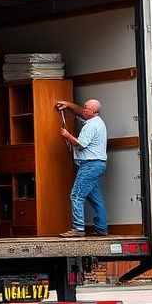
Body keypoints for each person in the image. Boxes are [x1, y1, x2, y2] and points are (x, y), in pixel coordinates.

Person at [56, 99, 108, 238]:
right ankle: (101, 228)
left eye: (86, 108)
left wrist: (67, 135)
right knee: (95, 198)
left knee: (76, 196)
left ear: (94, 112)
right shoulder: (97, 122)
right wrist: (68, 105)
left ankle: (78, 228)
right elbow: (79, 112)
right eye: (84, 107)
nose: (83, 109)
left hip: (89, 165)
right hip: (97, 165)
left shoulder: (91, 125)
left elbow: (81, 144)